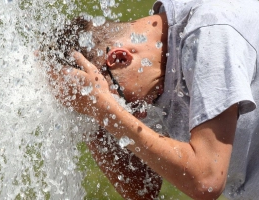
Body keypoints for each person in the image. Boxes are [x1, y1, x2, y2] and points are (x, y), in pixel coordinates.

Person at [44, 0, 259, 199]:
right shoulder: (157, 66)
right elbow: (143, 188)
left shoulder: (208, 33)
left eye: (122, 103)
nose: (137, 115)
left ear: (119, 58)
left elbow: (206, 179)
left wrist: (104, 108)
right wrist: (92, 113)